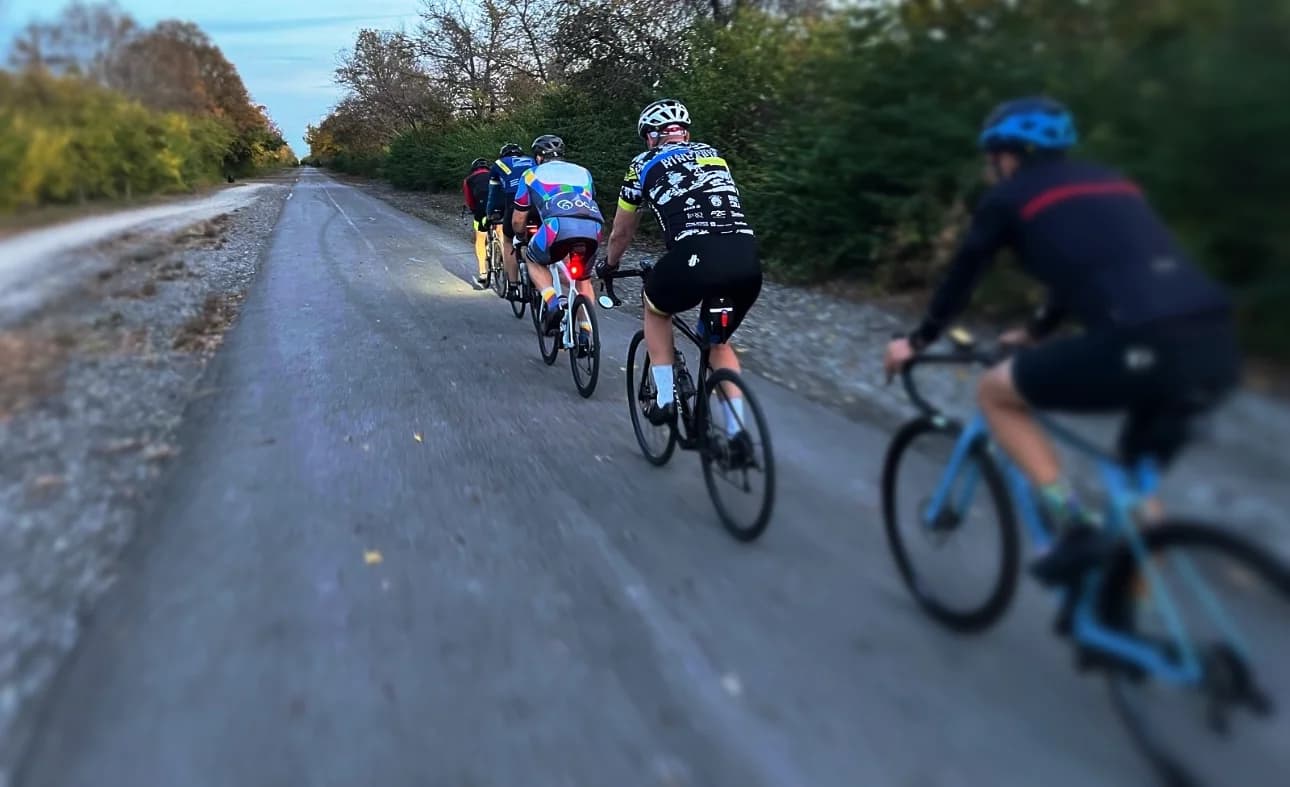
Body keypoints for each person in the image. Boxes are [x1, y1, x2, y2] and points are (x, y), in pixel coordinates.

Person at [882, 96, 1240, 586]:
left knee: (995, 393)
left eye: (993, 158)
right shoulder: (1111, 183)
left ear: (1008, 155)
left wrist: (917, 341)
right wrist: (1035, 332)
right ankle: (1133, 628)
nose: (992, 168)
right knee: (1137, 483)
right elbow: (1093, 270)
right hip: (1215, 341)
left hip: (1140, 342)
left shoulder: (1009, 198)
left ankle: (1071, 525)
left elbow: (963, 279)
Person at [597, 98, 763, 456]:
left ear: (652, 137)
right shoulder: (713, 154)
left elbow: (621, 233)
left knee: (655, 307)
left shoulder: (641, 165)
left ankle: (664, 398)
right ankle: (737, 435)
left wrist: (609, 266)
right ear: (684, 132)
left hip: (695, 255)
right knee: (717, 342)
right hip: (746, 258)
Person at [511, 134, 604, 341]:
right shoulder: (584, 172)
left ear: (538, 157)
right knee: (583, 279)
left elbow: (518, 218)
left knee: (533, 259)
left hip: (556, 226)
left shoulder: (530, 174)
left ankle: (553, 303)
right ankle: (586, 332)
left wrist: (519, 236)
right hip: (593, 226)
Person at [486, 142, 535, 299]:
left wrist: (491, 213)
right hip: (537, 203)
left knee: (508, 241)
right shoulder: (532, 160)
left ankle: (513, 287)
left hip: (514, 204)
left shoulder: (499, 164)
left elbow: (494, 194)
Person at [462, 157, 492, 287]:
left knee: (480, 239)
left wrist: (474, 210)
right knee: (501, 234)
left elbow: (470, 201)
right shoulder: (494, 174)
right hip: (498, 209)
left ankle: (483, 272)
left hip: (480, 209)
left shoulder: (468, 180)